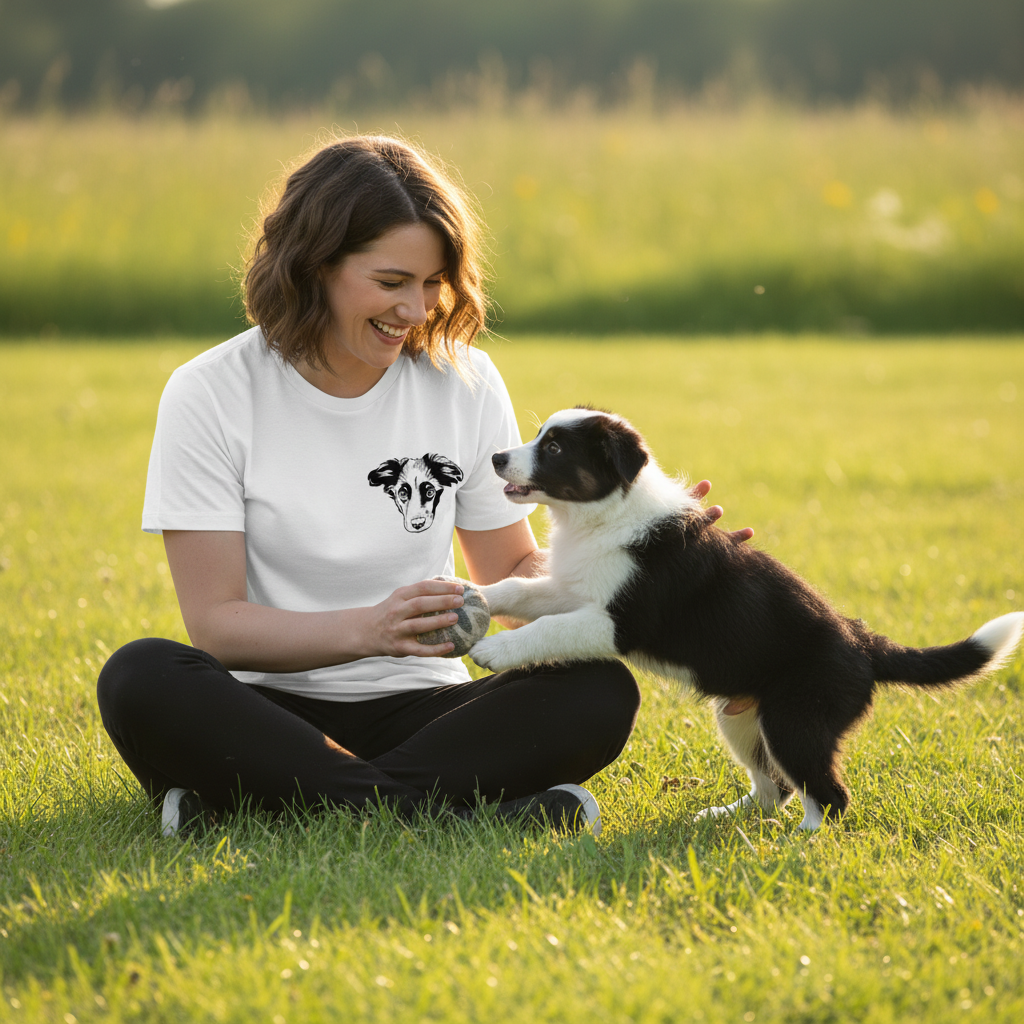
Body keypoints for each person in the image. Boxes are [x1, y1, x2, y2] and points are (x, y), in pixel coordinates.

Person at [96, 134, 749, 838]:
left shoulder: (462, 381)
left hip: (428, 712)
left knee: (595, 690)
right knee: (142, 676)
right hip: (266, 713)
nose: (417, 310)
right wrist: (369, 629)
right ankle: (452, 813)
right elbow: (218, 628)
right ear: (313, 265)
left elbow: (513, 574)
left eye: (433, 282)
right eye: (390, 282)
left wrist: (660, 582)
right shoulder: (209, 393)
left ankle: (269, 803)